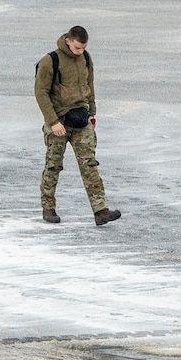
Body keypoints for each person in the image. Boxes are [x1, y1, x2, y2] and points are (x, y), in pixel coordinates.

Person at [34, 26, 120, 226]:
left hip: (81, 120)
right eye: (77, 48)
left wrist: (92, 113)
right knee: (53, 165)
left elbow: (89, 86)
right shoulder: (50, 61)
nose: (80, 51)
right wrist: (53, 121)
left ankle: (100, 211)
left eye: (83, 48)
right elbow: (40, 93)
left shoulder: (86, 59)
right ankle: (48, 208)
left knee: (89, 164)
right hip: (59, 122)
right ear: (67, 41)